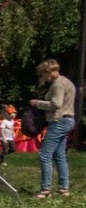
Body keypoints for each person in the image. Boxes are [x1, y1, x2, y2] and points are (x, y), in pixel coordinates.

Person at [28, 59, 75, 199]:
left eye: (43, 74)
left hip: (59, 121)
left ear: (48, 72)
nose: (43, 78)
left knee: (45, 155)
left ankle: (45, 189)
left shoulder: (58, 84)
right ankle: (63, 188)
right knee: (59, 155)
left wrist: (37, 103)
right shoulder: (67, 82)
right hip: (67, 119)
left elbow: (56, 104)